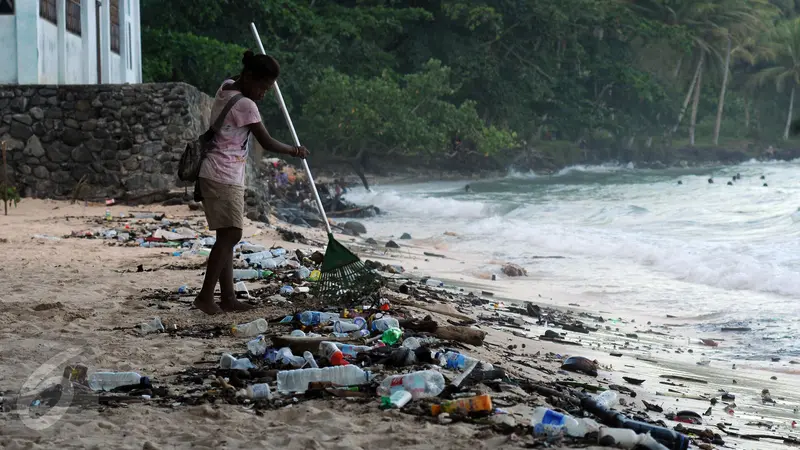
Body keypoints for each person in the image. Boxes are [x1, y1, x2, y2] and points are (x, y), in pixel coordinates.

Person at [194, 50, 309, 315]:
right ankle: (205, 296)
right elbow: (266, 142)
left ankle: (228, 298)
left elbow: (238, 80)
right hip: (224, 174)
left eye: (268, 89)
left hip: (214, 171)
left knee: (227, 234)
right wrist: (295, 151)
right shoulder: (246, 105)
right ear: (248, 77)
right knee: (232, 234)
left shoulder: (227, 87)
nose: (263, 93)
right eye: (262, 86)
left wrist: (254, 75)